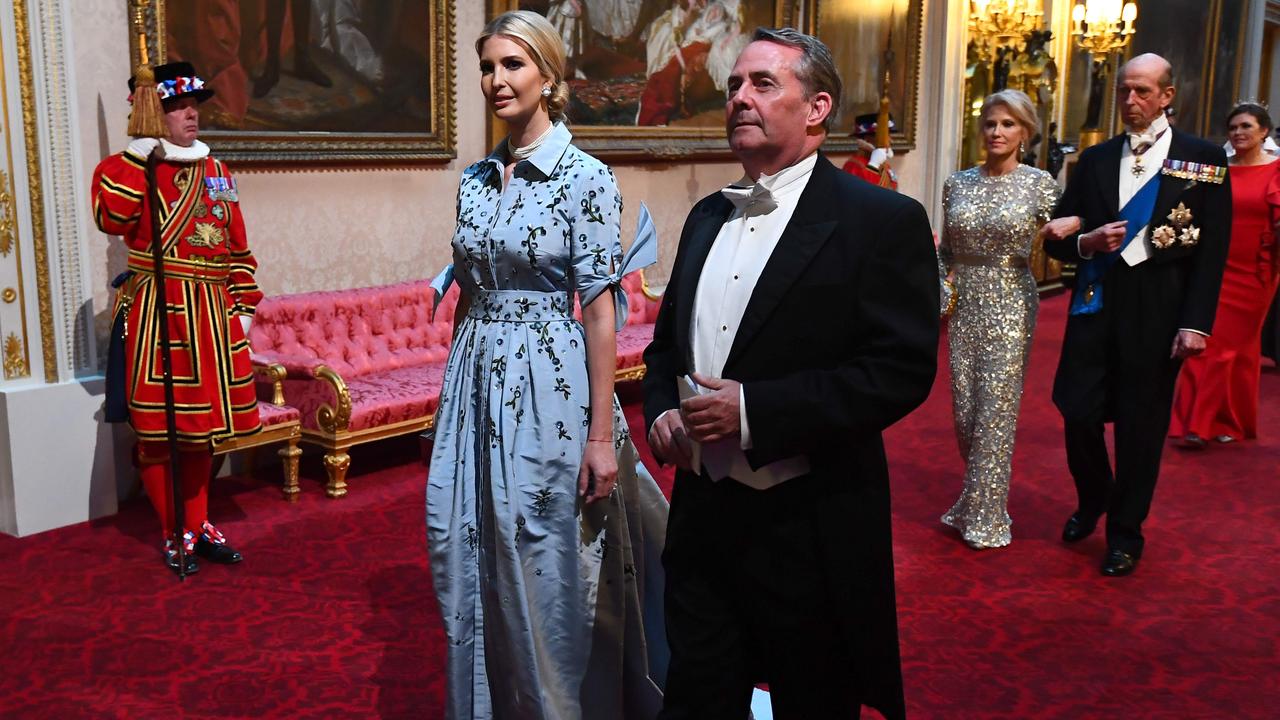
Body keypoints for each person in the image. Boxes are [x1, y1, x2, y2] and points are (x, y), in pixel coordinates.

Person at [643, 27, 938, 720]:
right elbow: (664, 350)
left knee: (815, 702)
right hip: (704, 518)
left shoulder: (880, 220)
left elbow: (898, 370)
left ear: (817, 108)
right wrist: (661, 409)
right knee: (698, 695)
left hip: (810, 522)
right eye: (733, 87)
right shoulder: (707, 216)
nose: (740, 98)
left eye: (762, 84)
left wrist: (755, 412)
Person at [425, 11, 668, 719]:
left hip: (547, 385)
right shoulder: (473, 179)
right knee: (464, 546)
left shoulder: (586, 178)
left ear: (549, 76)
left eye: (513, 65)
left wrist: (601, 436)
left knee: (543, 554)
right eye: (488, 66)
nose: (496, 81)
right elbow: (474, 281)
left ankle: (560, 703)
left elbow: (598, 312)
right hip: (473, 383)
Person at [1042, 54, 1230, 577]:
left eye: (1142, 92)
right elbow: (1059, 237)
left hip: (1160, 312)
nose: (1130, 101)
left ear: (1168, 96)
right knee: (1076, 411)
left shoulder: (1204, 158)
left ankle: (1125, 533)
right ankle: (1095, 495)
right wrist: (1085, 241)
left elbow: (1211, 251)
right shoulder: (1097, 159)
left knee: (1139, 429)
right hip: (1094, 306)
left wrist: (1195, 323)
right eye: (1124, 91)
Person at [92, 61, 261, 574]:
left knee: (201, 431)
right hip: (160, 313)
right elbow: (110, 217)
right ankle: (173, 529)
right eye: (176, 107)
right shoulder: (127, 169)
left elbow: (237, 245)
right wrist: (136, 155)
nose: (191, 114)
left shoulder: (218, 172)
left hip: (211, 314)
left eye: (193, 106)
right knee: (160, 432)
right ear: (151, 113)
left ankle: (197, 522)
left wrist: (244, 307)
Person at [938, 90, 1064, 549]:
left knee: (996, 409)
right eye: (991, 123)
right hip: (965, 303)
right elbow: (945, 251)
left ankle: (987, 516)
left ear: (1025, 133)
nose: (996, 132)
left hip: (1012, 300)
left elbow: (1064, 239)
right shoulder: (957, 182)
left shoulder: (1040, 184)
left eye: (1008, 124)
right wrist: (939, 290)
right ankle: (974, 498)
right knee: (965, 411)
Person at [1172, 103, 1280, 446]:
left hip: (1256, 272)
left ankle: (1199, 423)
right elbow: (1178, 182)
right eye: (1233, 127)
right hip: (1213, 266)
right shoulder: (1219, 167)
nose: (1238, 133)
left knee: (1225, 344)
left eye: (1246, 126)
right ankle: (1224, 420)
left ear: (1264, 131)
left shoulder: (1278, 170)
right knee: (1215, 338)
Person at [841, 113, 898, 189]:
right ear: (867, 139)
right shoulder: (854, 166)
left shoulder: (885, 165)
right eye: (884, 137)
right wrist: (873, 165)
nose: (890, 141)